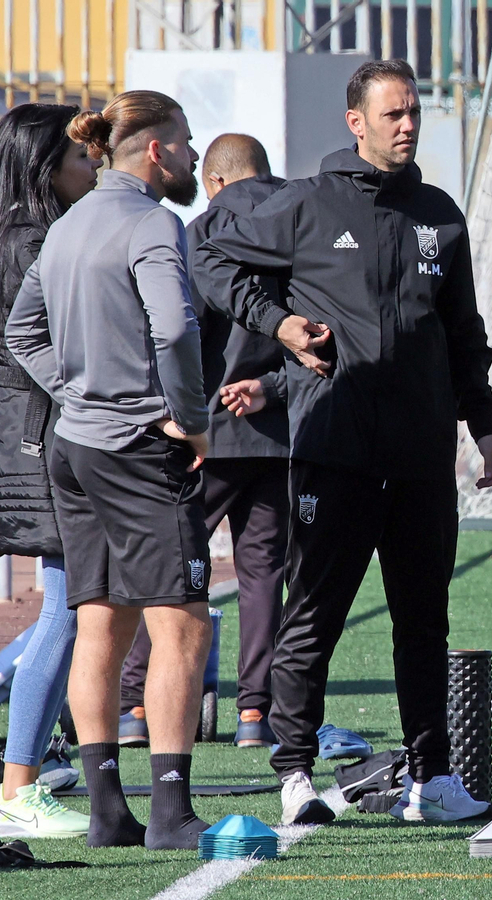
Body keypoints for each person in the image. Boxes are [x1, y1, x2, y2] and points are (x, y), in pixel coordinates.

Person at [194, 59, 492, 827]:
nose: (406, 125)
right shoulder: (304, 204)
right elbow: (205, 250)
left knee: (423, 619)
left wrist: (486, 425)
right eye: (392, 114)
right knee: (316, 614)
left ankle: (431, 777)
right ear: (355, 122)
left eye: (413, 113)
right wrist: (277, 324)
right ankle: (296, 772)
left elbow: (464, 333)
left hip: (422, 455)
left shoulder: (440, 215)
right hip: (333, 450)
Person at [6, 89, 216, 851]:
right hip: (136, 448)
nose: (192, 155)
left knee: (99, 620)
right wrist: (191, 420)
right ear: (156, 150)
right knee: (183, 624)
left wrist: (74, 390)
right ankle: (170, 811)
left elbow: (20, 329)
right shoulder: (152, 222)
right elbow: (177, 327)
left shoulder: (69, 226)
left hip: (76, 446)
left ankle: (107, 810)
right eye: (186, 142)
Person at [0, 104, 99, 842]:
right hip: (40, 444)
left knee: (76, 610)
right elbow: (59, 348)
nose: (92, 169)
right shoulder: (31, 242)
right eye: (79, 160)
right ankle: (17, 785)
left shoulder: (20, 233)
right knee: (64, 611)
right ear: (44, 170)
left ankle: (42, 764)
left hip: (35, 438)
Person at [117, 133, 292, 751]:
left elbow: (173, 328)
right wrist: (274, 383)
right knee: (263, 571)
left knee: (169, 568)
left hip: (202, 427)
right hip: (276, 424)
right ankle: (255, 713)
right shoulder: (299, 223)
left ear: (215, 182)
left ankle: (136, 704)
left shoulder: (193, 234)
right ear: (265, 174)